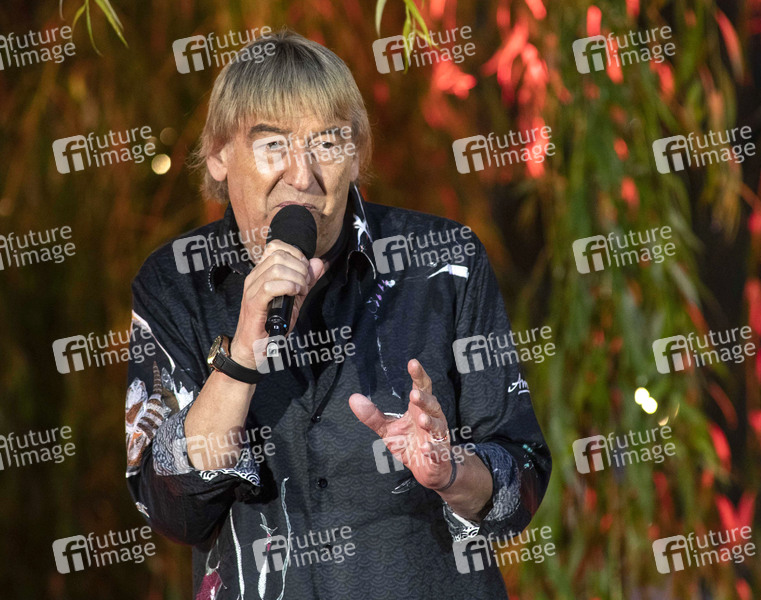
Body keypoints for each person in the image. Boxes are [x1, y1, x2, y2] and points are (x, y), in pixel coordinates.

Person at [124, 30, 551, 599]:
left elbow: (523, 481)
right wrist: (242, 358)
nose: (302, 176)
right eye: (272, 144)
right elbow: (170, 511)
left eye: (327, 143)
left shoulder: (445, 262)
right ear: (221, 154)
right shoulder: (174, 283)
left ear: (355, 157)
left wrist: (452, 471)